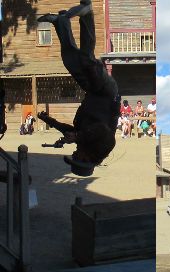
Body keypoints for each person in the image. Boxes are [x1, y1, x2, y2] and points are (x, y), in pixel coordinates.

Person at [37, 1, 120, 177]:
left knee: (70, 60)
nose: (74, 154)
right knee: (86, 60)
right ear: (86, 160)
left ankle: (61, 22)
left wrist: (48, 120)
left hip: (92, 91)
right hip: (106, 93)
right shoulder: (104, 146)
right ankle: (87, 14)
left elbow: (68, 130)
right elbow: (101, 130)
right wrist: (77, 137)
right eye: (76, 157)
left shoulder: (83, 144)